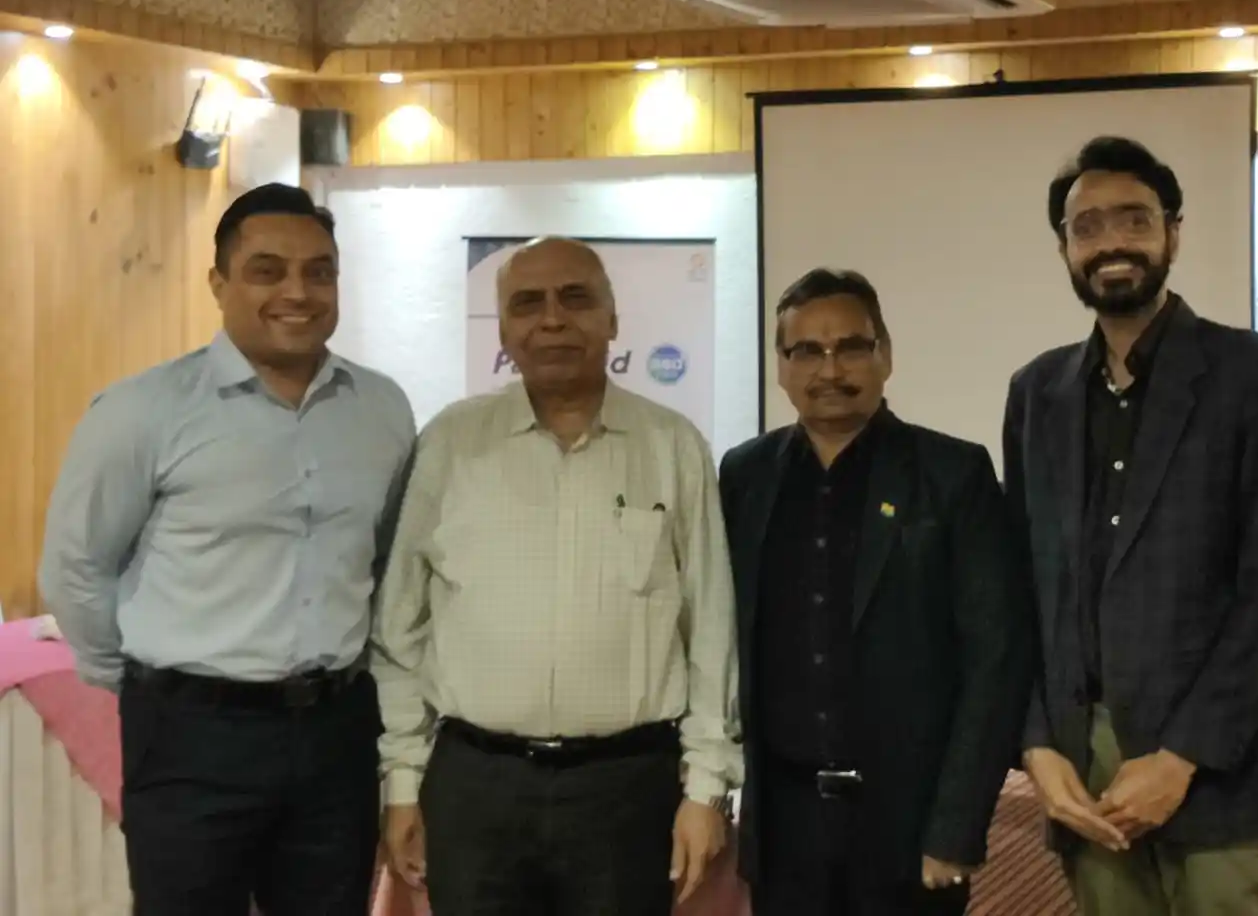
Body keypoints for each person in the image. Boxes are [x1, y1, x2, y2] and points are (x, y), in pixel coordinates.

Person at [37, 183, 416, 916]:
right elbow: (76, 569)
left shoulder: (382, 409)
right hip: (191, 737)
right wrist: (147, 684)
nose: (297, 292)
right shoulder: (143, 411)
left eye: (319, 272)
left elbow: (382, 563)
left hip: (337, 733)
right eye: (267, 270)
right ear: (219, 283)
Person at [373, 237, 740, 916]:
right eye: (527, 304)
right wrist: (402, 781)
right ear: (503, 330)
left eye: (575, 298)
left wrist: (706, 789)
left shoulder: (673, 446)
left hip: (628, 789)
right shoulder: (451, 444)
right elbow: (398, 628)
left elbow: (712, 631)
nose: (551, 319)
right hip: (475, 787)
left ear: (613, 319)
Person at [1004, 136, 1258, 916]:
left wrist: (1182, 758)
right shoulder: (1037, 393)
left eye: (1134, 220)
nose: (1111, 242)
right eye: (1087, 227)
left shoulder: (1250, 373)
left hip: (1214, 764)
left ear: (1173, 232)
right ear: (1064, 248)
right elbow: (1021, 587)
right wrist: (1037, 745)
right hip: (1085, 767)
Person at [719, 269, 1034, 916]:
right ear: (781, 366)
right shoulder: (745, 475)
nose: (829, 369)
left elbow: (996, 659)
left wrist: (957, 826)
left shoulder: (953, 474)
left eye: (851, 347)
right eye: (806, 350)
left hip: (909, 825)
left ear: (885, 355)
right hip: (784, 824)